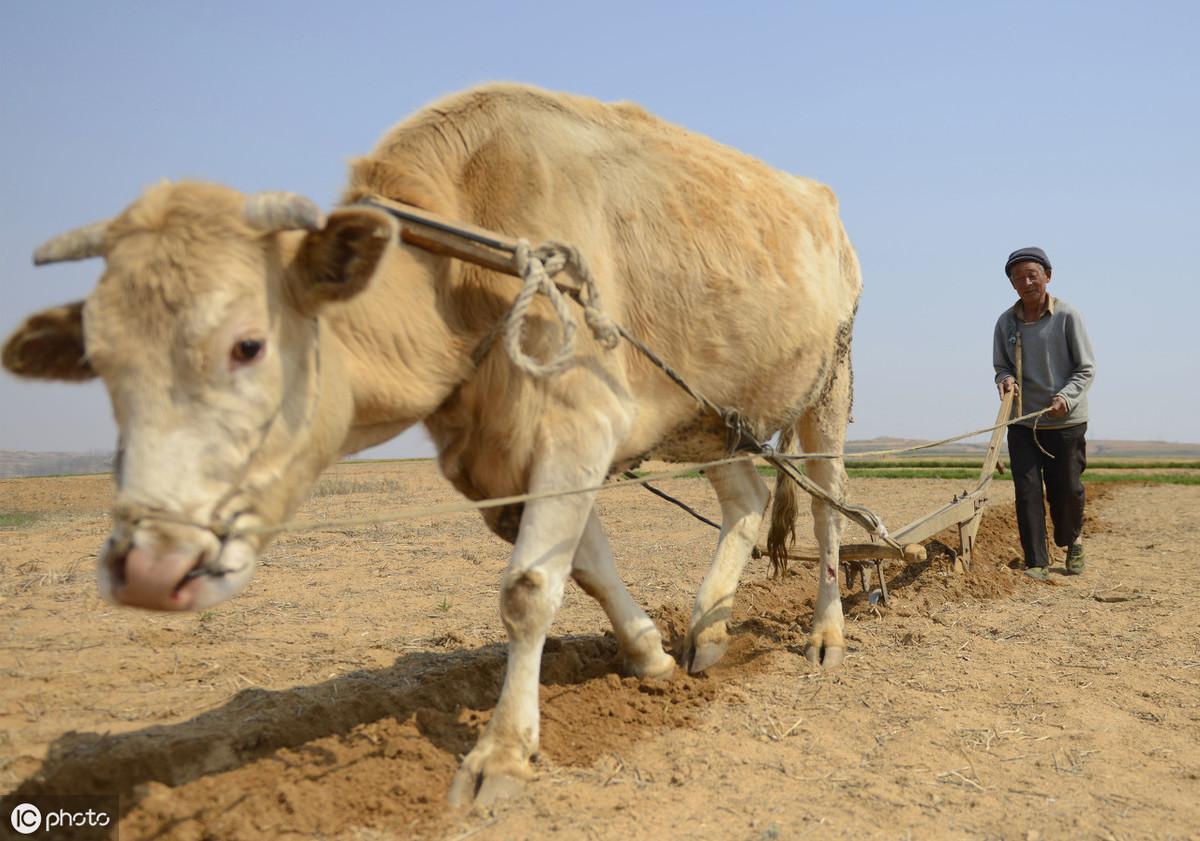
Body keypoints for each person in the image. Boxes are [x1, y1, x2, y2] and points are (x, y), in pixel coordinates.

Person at [992, 247, 1096, 580]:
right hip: (1023, 422)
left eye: (1031, 275)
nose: (1026, 282)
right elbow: (1001, 365)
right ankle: (1036, 561)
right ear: (1012, 284)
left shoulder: (1067, 316)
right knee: (1026, 491)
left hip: (1065, 421)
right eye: (1018, 277)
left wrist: (1065, 397)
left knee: (1066, 489)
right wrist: (1005, 379)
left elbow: (1085, 368)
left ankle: (1072, 540)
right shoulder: (1006, 322)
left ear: (1047, 276)